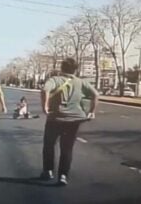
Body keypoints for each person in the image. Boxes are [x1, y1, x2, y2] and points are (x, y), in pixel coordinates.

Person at [40, 58, 98, 186]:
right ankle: (63, 176)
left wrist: (44, 107)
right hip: (73, 120)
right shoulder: (82, 82)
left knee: (49, 145)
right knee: (67, 148)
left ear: (61, 68)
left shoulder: (54, 79)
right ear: (76, 69)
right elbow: (95, 94)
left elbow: (45, 90)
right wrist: (91, 111)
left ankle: (48, 171)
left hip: (55, 119)